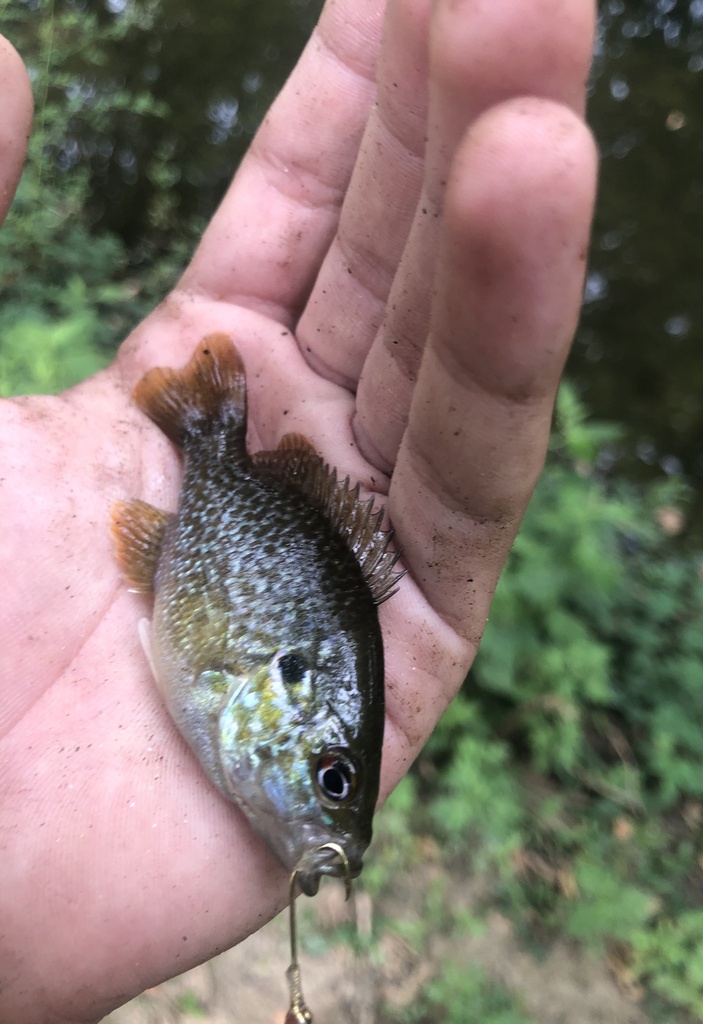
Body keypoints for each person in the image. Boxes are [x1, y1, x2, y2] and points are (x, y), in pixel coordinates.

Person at [0, 0, 597, 1019]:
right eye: (331, 778)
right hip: (224, 514)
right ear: (292, 704)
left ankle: (208, 435)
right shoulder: (262, 679)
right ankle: (208, 430)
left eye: (335, 786)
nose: (335, 824)